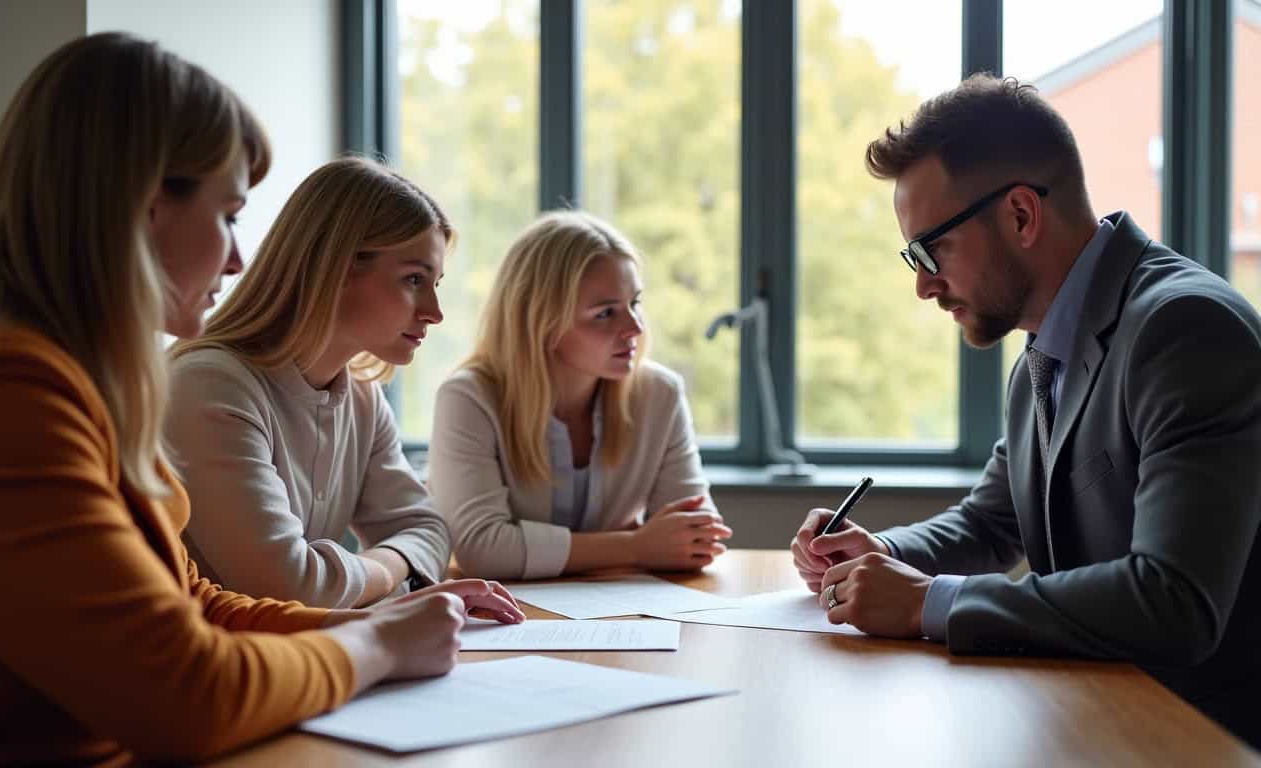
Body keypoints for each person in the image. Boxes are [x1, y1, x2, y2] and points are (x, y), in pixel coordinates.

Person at [0, 33, 519, 764]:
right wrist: (375, 642)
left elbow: (191, 602)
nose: (238, 258)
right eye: (229, 215)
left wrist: (368, 622)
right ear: (142, 208)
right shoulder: (3, 394)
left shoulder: (76, 380)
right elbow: (184, 693)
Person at [791, 74, 1261, 748]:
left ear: (1019, 214)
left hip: (1194, 741)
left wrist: (927, 602)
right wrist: (876, 555)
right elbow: (989, 523)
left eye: (932, 250)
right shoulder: (1043, 355)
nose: (923, 285)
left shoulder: (1183, 329)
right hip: (1089, 719)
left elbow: (1174, 601)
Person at [167, 156, 468, 610]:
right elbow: (290, 587)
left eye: (435, 283)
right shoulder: (211, 386)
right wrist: (390, 567)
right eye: (413, 280)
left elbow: (430, 532)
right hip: (211, 668)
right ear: (334, 268)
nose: (434, 311)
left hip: (300, 656)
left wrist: (361, 572)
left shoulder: (363, 398)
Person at [429, 210, 732, 580]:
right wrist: (637, 546)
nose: (634, 328)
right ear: (539, 321)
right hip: (504, 619)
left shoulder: (659, 394)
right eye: (605, 313)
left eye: (634, 304)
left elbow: (696, 539)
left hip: (622, 613)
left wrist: (534, 547)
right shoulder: (469, 398)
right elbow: (481, 549)